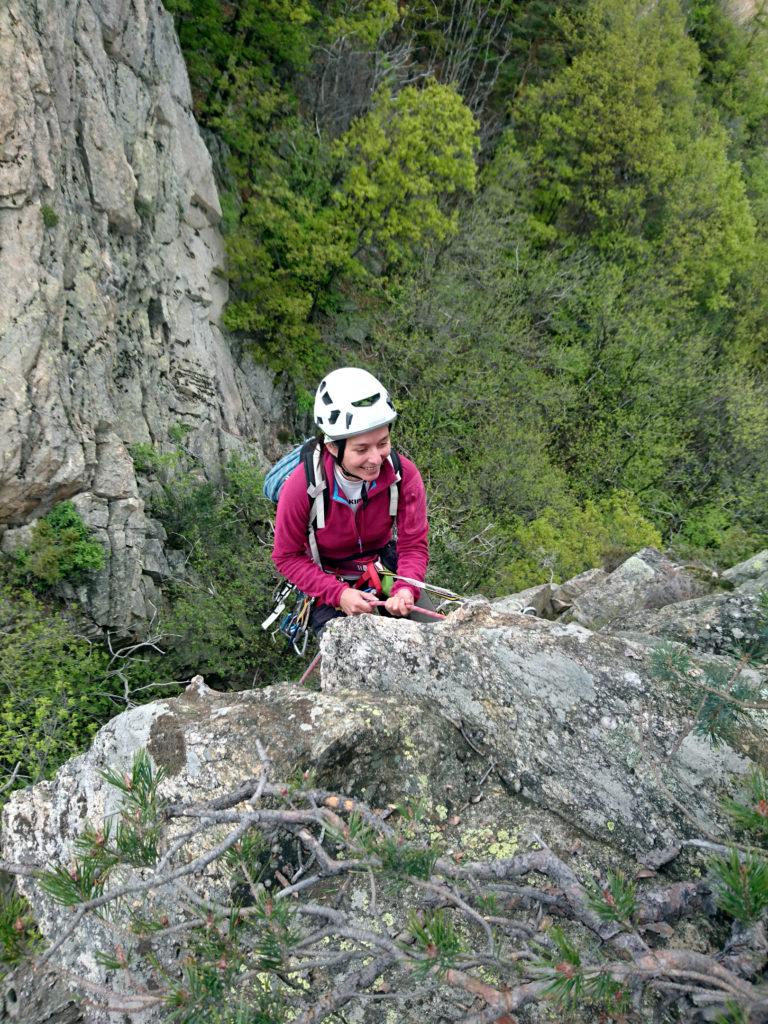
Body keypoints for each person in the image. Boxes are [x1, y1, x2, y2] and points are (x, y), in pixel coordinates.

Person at [271, 367, 430, 635]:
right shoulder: (302, 487)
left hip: (383, 568)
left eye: (383, 443)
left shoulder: (403, 476)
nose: (376, 458)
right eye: (361, 449)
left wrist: (406, 589)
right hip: (327, 581)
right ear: (333, 447)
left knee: (435, 638)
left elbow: (413, 544)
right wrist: (338, 594)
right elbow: (286, 556)